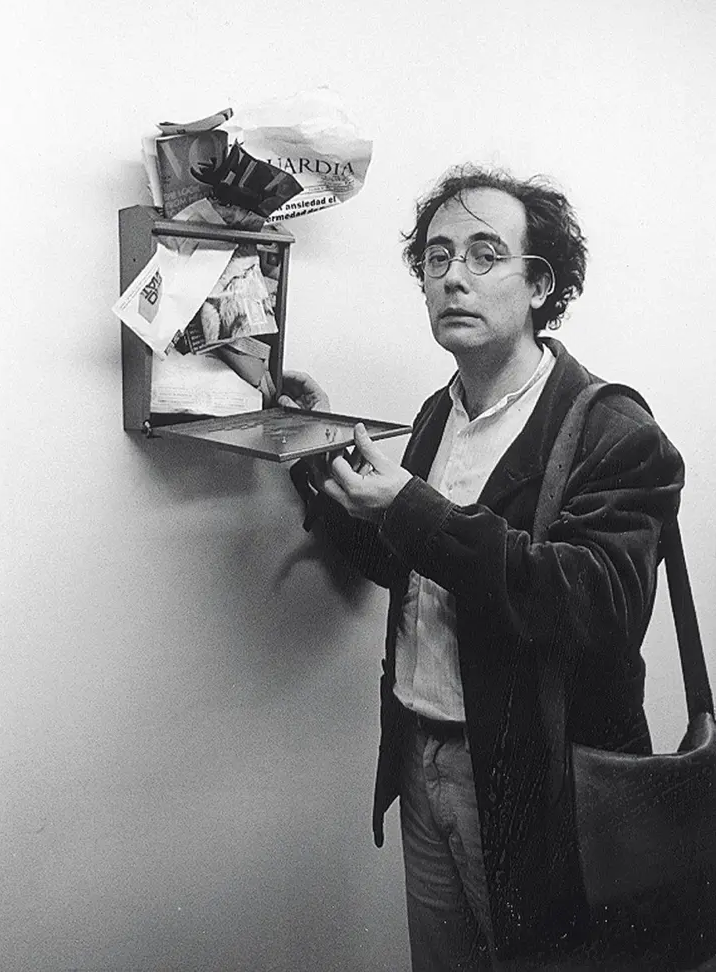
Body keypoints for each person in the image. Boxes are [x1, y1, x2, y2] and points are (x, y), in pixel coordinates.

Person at [282, 165, 684, 971]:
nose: (452, 277)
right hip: (420, 756)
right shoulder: (440, 412)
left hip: (537, 788)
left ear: (538, 285)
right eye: (435, 258)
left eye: (483, 253)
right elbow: (407, 564)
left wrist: (411, 508)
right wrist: (314, 455)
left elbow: (594, 606)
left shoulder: (611, 428)